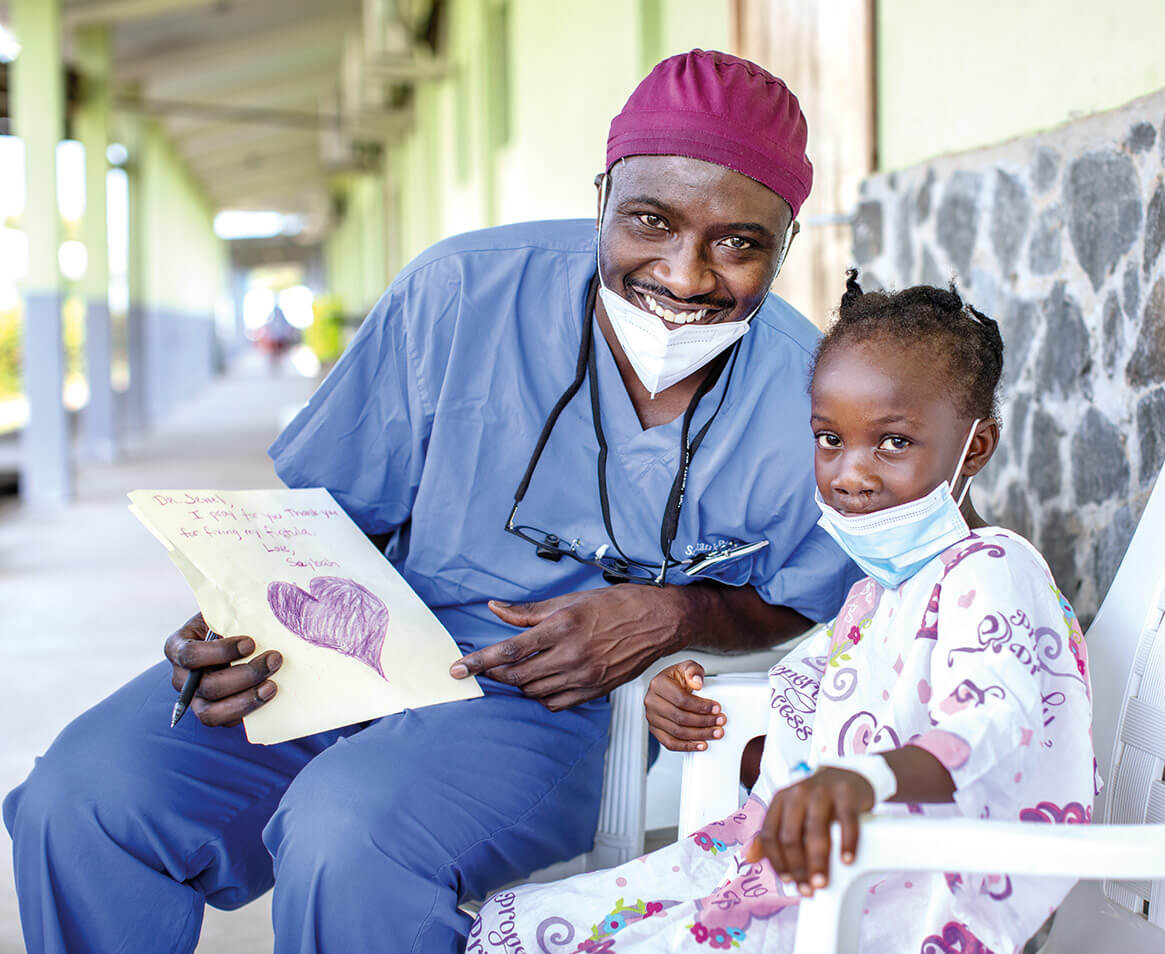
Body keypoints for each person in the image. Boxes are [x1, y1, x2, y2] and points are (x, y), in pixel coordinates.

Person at [3, 51, 861, 954]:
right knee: (85, 796)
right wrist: (232, 616)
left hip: (550, 704)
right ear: (602, 193)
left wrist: (673, 612)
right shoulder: (460, 293)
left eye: (738, 243)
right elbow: (332, 514)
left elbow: (800, 596)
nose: (684, 277)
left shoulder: (808, 394)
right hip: (348, 638)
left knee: (349, 833)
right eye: (649, 220)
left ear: (786, 240)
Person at [468, 272, 1097, 954]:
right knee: (535, 924)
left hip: (893, 903)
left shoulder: (993, 566)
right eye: (830, 439)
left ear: (974, 446)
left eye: (892, 442)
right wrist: (699, 715)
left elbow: (993, 722)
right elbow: (803, 757)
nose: (849, 474)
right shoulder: (876, 596)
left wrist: (859, 781)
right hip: (788, 874)